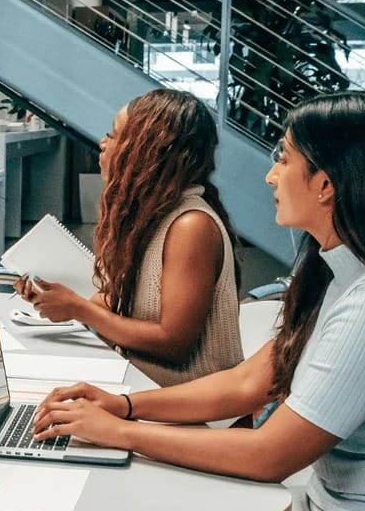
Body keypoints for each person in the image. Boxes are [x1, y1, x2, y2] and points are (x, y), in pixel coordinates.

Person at [32, 91, 365, 511]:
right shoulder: (330, 272)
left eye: (284, 158)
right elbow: (251, 379)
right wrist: (122, 406)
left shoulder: (359, 306)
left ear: (324, 185)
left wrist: (121, 431)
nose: (271, 175)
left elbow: (270, 455)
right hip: (310, 508)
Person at [15, 89, 242, 386]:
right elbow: (119, 301)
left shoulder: (191, 226)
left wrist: (79, 308)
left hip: (195, 412)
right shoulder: (152, 215)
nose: (103, 144)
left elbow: (174, 344)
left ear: (148, 151)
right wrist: (57, 300)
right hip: (146, 387)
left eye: (113, 135)